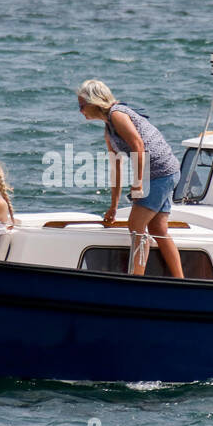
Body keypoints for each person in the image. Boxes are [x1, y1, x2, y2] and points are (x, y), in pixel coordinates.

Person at [76, 79, 184, 278]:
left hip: (160, 173)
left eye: (81, 105)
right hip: (167, 172)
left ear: (94, 102)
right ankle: (181, 280)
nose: (80, 110)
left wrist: (138, 184)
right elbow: (116, 167)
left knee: (136, 227)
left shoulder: (118, 115)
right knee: (158, 228)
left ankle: (136, 280)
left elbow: (138, 146)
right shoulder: (108, 129)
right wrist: (113, 206)